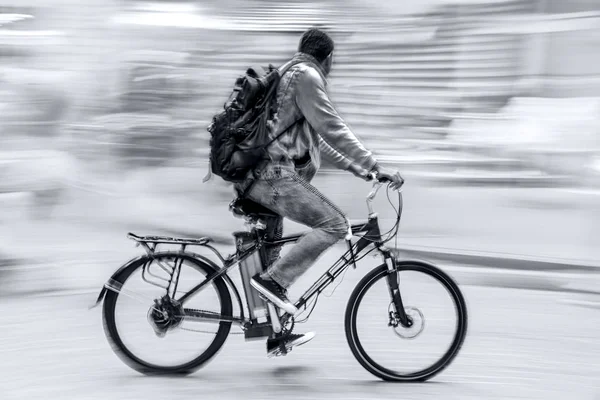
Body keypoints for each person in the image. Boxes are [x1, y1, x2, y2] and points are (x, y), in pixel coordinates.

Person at [236, 28, 404, 356]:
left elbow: (318, 144)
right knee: (335, 225)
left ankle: (275, 333)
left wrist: (365, 170)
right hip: (272, 176)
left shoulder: (290, 74)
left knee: (270, 258)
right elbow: (333, 127)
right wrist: (374, 161)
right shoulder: (307, 76)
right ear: (327, 59)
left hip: (260, 175)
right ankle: (271, 283)